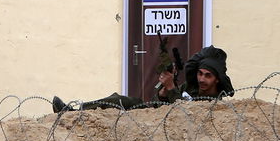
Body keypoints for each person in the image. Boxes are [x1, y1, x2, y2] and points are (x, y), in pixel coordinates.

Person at [52, 45, 234, 113]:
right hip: (151, 115)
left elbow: (185, 114)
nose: (202, 79)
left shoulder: (215, 101)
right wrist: (163, 92)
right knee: (117, 100)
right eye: (200, 74)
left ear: (217, 79)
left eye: (208, 76)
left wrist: (171, 88)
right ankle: (75, 112)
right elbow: (158, 104)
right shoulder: (191, 87)